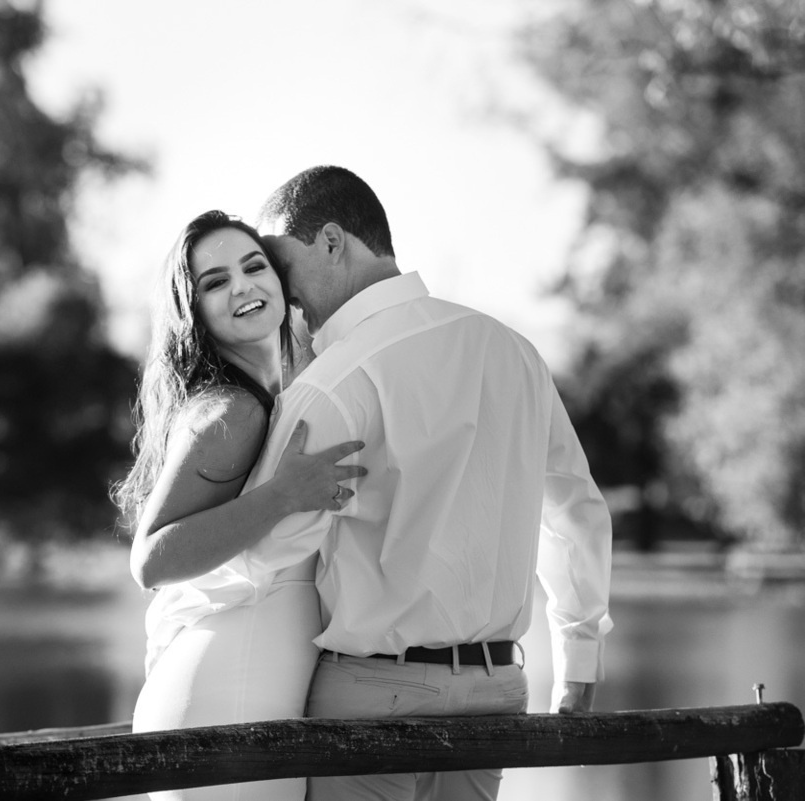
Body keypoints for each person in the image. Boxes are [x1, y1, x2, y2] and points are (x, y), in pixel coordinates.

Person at [211, 165, 612, 801]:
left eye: (282, 266)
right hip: (496, 691)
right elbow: (575, 512)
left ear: (332, 242)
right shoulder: (514, 351)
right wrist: (579, 659)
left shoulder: (331, 384)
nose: (281, 293)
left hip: (375, 695)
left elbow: (264, 557)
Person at [113, 210, 366, 801]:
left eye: (254, 267)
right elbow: (151, 560)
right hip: (227, 699)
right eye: (215, 281)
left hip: (249, 695)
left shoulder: (280, 394)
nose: (243, 286)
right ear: (194, 311)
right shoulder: (234, 411)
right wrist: (283, 496)